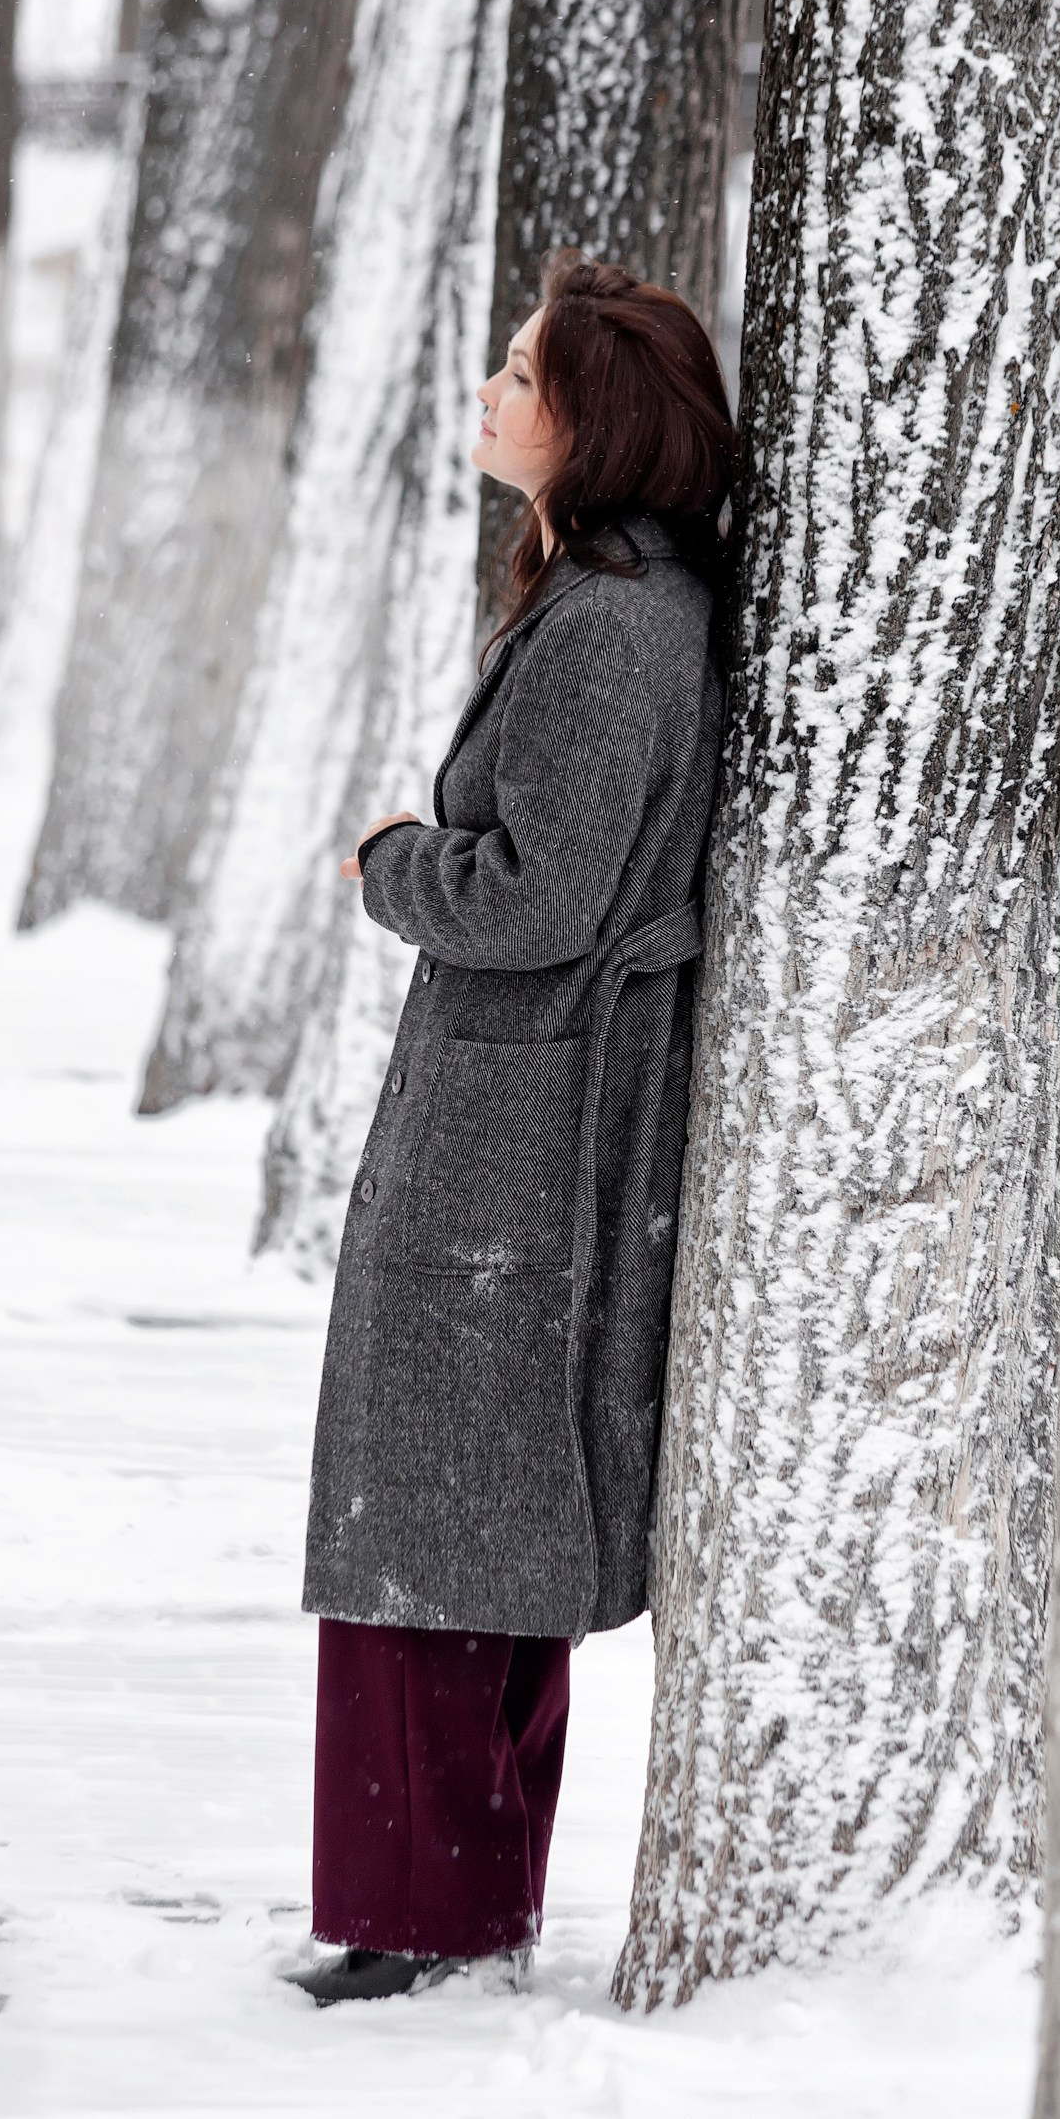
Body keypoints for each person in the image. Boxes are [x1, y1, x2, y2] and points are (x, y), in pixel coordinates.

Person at [284, 252, 736, 2005]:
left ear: (596, 422)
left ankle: (421, 1921)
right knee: (465, 1518)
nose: (491, 392)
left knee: (438, 1522)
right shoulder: (617, 601)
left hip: (526, 1118)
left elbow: (543, 897)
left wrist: (397, 864)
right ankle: (441, 1908)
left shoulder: (615, 629)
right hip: (526, 1100)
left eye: (524, 376)